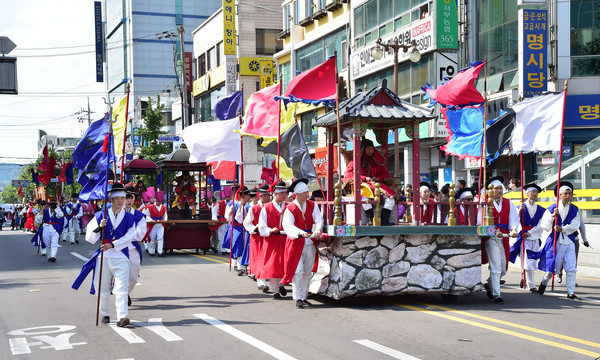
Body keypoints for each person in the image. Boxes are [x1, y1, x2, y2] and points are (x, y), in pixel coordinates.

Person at [73, 183, 137, 327]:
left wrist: (113, 244)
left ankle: (122, 316)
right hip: (104, 256)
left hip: (121, 255)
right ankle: (105, 313)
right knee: (102, 288)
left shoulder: (128, 217)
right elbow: (89, 238)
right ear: (111, 199)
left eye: (123, 198)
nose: (121, 201)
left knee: (121, 288)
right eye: (117, 198)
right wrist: (99, 227)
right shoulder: (99, 216)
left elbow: (130, 236)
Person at [533, 182, 583, 299]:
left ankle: (570, 293)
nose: (568, 196)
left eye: (570, 194)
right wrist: (552, 217)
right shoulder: (551, 208)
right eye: (565, 194)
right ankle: (544, 282)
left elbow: (576, 225)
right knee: (553, 268)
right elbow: (544, 225)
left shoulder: (574, 209)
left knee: (571, 268)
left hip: (569, 241)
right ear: (560, 195)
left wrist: (563, 229)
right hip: (556, 241)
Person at [281, 179, 323, 309]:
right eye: (304, 192)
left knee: (307, 271)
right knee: (298, 271)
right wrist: (300, 233)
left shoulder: (312, 205)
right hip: (296, 242)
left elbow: (318, 219)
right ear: (297, 194)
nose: (307, 194)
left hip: (310, 242)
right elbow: (288, 226)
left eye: (307, 192)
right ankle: (298, 298)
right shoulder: (290, 208)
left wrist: (317, 229)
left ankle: (304, 296)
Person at [477, 176, 519, 304]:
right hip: (490, 238)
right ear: (490, 191)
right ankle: (497, 294)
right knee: (495, 266)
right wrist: (494, 231)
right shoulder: (484, 204)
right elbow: (480, 221)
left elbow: (513, 219)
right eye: (496, 189)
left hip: (505, 238)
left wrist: (514, 229)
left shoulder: (508, 202)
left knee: (503, 269)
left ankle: (489, 284)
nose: (499, 191)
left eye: (500, 188)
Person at [343, 138, 396, 225]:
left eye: (372, 148)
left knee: (390, 197)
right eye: (368, 148)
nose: (370, 151)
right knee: (363, 197)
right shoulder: (354, 162)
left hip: (377, 185)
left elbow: (385, 173)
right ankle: (371, 219)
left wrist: (378, 178)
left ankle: (384, 220)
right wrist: (364, 178)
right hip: (362, 186)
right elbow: (350, 176)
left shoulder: (376, 161)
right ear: (363, 149)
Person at [508, 183, 545, 293]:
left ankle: (524, 277)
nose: (534, 194)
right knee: (528, 260)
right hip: (523, 237)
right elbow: (514, 221)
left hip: (534, 236)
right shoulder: (519, 207)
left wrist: (531, 232)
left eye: (536, 192)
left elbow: (541, 224)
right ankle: (531, 285)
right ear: (527, 193)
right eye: (532, 192)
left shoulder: (541, 209)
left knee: (532, 260)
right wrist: (519, 212)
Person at [258, 181, 289, 298]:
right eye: (281, 193)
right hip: (272, 240)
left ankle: (281, 284)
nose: (284, 195)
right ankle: (275, 290)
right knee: (274, 265)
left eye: (285, 193)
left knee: (285, 264)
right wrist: (270, 230)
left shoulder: (289, 206)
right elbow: (262, 226)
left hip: (286, 239)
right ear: (275, 194)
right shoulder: (267, 208)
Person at [242, 183, 271, 292]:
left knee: (269, 258)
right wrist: (255, 228)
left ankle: (273, 282)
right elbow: (247, 223)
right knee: (260, 259)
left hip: (269, 236)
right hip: (258, 237)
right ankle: (262, 282)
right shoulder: (254, 209)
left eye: (268, 196)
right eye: (264, 196)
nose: (266, 198)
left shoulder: (272, 207)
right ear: (260, 196)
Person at [124, 185, 147, 307]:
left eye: (131, 198)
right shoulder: (115, 214)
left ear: (134, 199)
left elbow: (140, 235)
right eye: (126, 197)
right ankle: (121, 297)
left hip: (132, 249)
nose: (128, 200)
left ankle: (125, 292)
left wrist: (124, 236)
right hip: (116, 249)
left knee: (133, 279)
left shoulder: (139, 216)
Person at [223, 186, 250, 274]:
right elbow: (228, 217)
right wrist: (231, 211)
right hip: (235, 228)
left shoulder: (249, 205)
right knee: (236, 246)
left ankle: (239, 265)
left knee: (242, 247)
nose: (248, 196)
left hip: (245, 228)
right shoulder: (231, 204)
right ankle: (239, 266)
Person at [34, 198, 64, 262]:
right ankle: (49, 256)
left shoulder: (57, 211)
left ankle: (53, 256)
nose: (53, 206)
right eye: (52, 205)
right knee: (47, 243)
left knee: (54, 243)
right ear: (49, 205)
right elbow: (38, 220)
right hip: (46, 228)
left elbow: (61, 215)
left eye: (54, 205)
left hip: (55, 228)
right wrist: (42, 210)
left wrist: (57, 208)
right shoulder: (46, 211)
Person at [142, 188, 167, 257]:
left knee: (160, 238)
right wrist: (150, 220)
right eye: (159, 201)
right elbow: (146, 215)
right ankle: (151, 251)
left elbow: (165, 215)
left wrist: (165, 219)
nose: (159, 203)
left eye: (161, 202)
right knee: (152, 239)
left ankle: (160, 251)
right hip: (153, 225)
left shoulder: (164, 207)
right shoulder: (150, 207)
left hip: (160, 224)